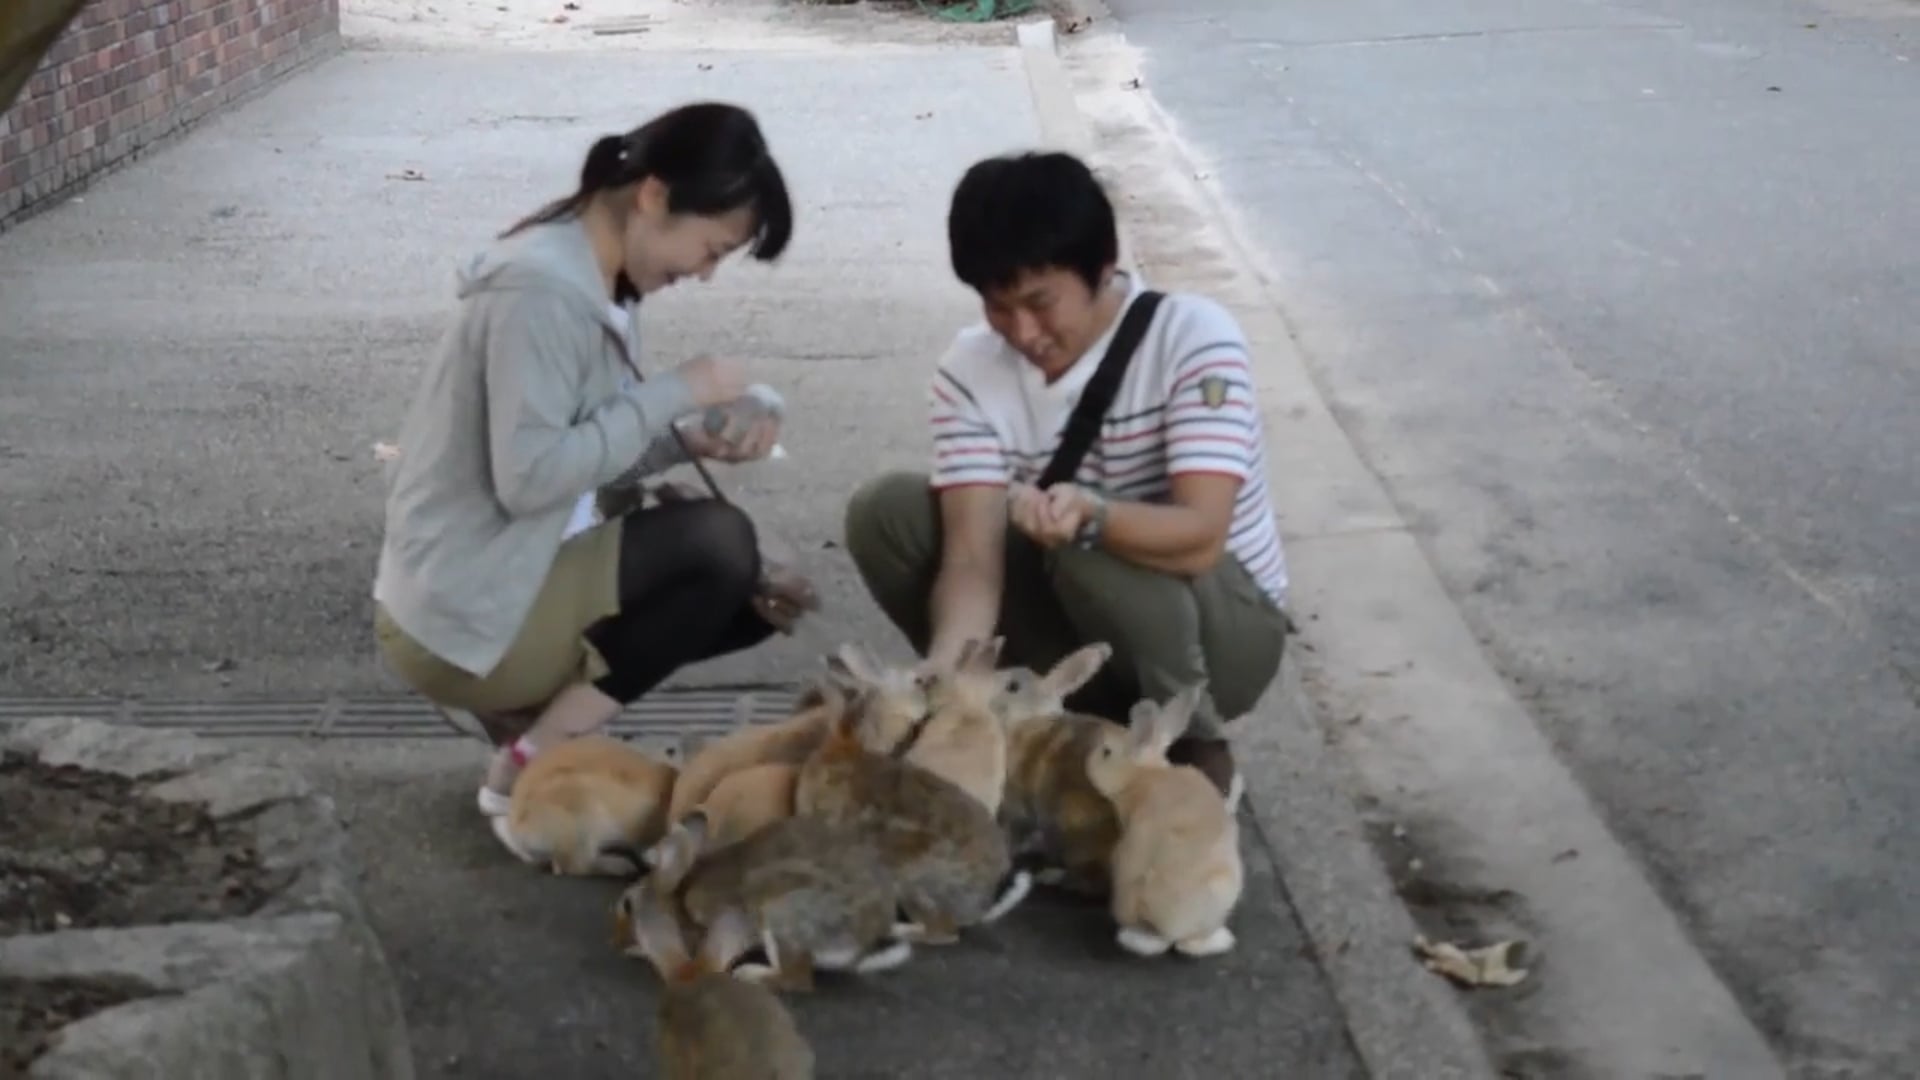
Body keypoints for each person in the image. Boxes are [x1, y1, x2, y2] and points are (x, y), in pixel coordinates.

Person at [372, 102, 801, 820]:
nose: (705, 274)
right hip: (460, 610)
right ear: (655, 195)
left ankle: (530, 719)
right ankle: (526, 761)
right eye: (712, 249)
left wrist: (687, 442)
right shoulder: (543, 291)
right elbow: (532, 477)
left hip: (510, 571)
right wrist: (675, 392)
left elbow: (579, 455)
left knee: (760, 594)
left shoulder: (598, 280)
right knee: (719, 548)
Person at [842, 150, 1294, 805]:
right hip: (1086, 618)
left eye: (1040, 302)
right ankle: (1020, 720)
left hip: (1220, 631)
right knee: (889, 512)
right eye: (998, 307)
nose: (1023, 332)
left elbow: (1201, 536)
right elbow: (971, 559)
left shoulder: (1193, 339)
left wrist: (1096, 515)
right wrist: (944, 677)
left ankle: (1194, 744)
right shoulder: (970, 370)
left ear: (1103, 266)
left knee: (1087, 549)